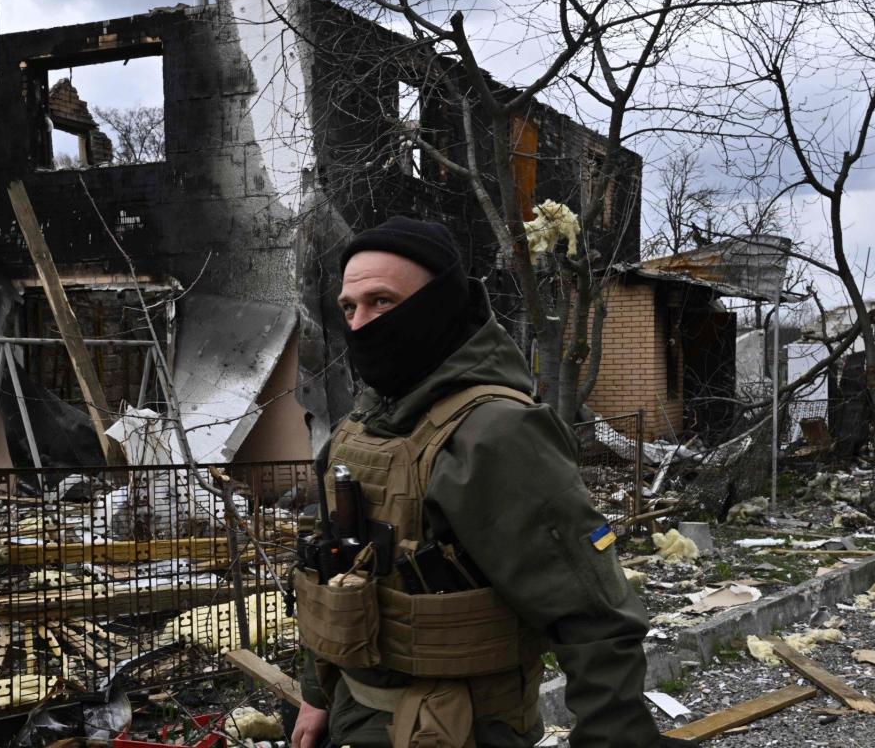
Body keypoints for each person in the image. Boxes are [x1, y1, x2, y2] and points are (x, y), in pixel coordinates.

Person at [291, 216, 694, 748]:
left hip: (459, 728)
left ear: (439, 305)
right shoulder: (363, 426)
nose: (361, 324)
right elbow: (336, 576)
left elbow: (594, 618)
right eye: (349, 307)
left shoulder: (496, 433)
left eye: (382, 302)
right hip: (356, 713)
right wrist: (316, 695)